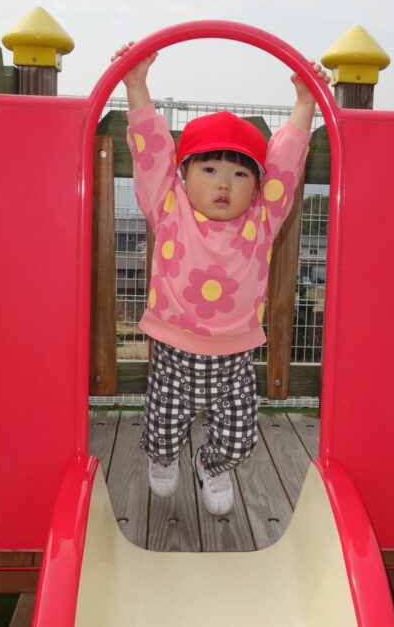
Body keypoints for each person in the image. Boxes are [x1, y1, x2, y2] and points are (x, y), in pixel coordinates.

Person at [111, 42, 328, 514]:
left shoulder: (262, 220)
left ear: (258, 185)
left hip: (235, 358)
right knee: (162, 431)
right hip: (173, 353)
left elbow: (286, 163)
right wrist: (136, 84)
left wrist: (305, 102)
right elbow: (151, 151)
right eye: (209, 169)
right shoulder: (169, 208)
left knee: (238, 437)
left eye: (239, 174)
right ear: (183, 175)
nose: (224, 183)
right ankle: (164, 459)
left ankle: (211, 464)